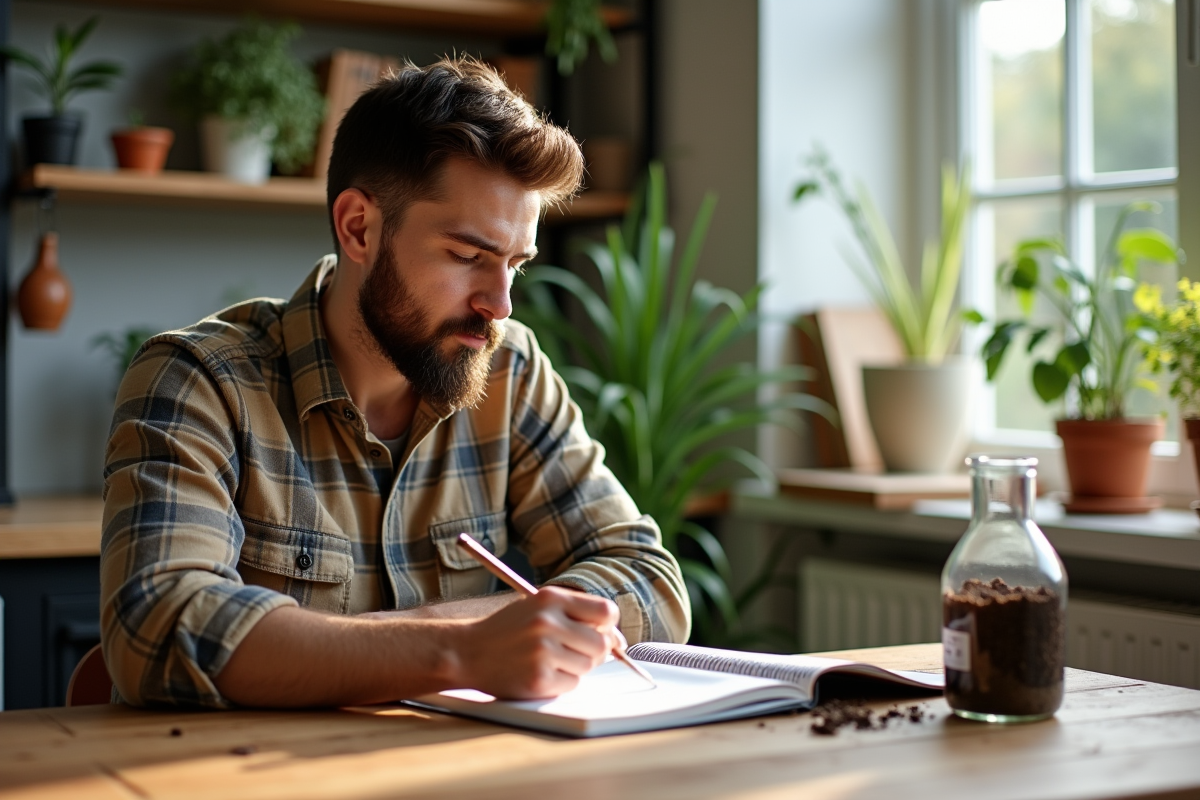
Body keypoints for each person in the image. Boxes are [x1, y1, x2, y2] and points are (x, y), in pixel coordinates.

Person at [99, 55, 690, 709]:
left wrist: (333, 649)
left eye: (515, 265)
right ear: (359, 228)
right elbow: (158, 628)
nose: (502, 304)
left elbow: (648, 582)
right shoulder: (201, 381)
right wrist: (465, 649)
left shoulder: (509, 371)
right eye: (468, 257)